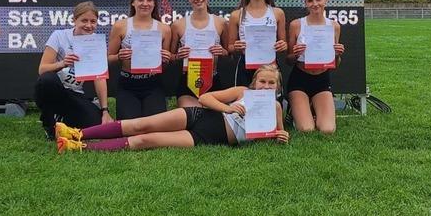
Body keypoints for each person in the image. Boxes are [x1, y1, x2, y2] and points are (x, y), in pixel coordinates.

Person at [55, 64, 289, 152]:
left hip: (208, 137)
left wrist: (281, 136)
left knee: (147, 140)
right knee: (141, 124)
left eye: (271, 83)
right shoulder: (242, 92)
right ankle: (77, 132)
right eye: (262, 81)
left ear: (277, 88)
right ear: (254, 82)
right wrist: (228, 109)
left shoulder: (276, 108)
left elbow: (277, 133)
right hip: (199, 115)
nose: (265, 86)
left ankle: (79, 147)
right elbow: (206, 98)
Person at [34, 1, 113, 140]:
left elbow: (99, 78)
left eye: (93, 21)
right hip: (55, 89)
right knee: (47, 80)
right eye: (84, 20)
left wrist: (104, 111)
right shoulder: (59, 35)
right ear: (74, 20)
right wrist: (63, 63)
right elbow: (42, 69)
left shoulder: (96, 42)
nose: (89, 25)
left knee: (95, 123)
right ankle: (49, 124)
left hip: (75, 94)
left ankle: (62, 119)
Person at [286, 0, 345, 134]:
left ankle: (313, 110)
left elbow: (335, 64)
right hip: (300, 79)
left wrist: (337, 54)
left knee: (327, 129)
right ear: (305, 2)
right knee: (306, 129)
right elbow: (288, 60)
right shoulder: (296, 25)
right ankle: (297, 113)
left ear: (326, 0)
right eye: (310, 1)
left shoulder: (334, 26)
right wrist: (296, 54)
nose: (315, 4)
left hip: (322, 80)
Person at [108, 0, 172, 120]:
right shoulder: (120, 26)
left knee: (156, 127)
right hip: (127, 83)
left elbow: (165, 66)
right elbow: (108, 58)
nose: (145, 3)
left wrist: (167, 59)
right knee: (129, 128)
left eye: (149, 0)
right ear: (133, 2)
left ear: (154, 4)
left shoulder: (164, 29)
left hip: (153, 83)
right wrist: (119, 56)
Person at [170, 0, 228, 108]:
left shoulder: (221, 22)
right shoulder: (178, 25)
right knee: (192, 115)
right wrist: (178, 55)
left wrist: (222, 52)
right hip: (188, 80)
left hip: (213, 80)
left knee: (214, 121)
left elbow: (229, 54)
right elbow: (170, 57)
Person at [227, 0, 287, 87]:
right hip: (246, 66)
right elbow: (230, 47)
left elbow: (284, 44)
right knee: (244, 104)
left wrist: (282, 45)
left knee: (272, 105)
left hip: (270, 67)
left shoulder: (277, 13)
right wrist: (236, 47)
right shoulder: (236, 15)